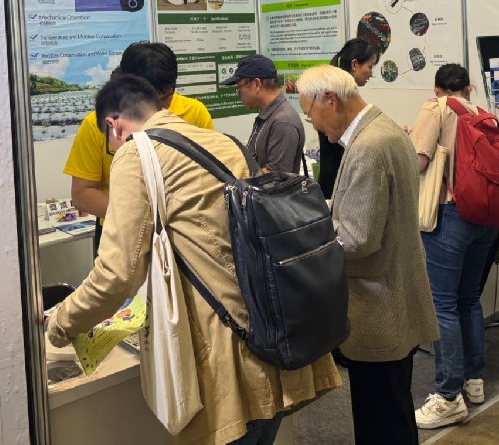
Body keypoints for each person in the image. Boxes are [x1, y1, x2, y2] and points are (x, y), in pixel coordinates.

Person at [46, 73, 340, 445]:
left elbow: (117, 273)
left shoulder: (136, 153)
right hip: (274, 333)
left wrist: (61, 323)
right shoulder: (224, 141)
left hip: (228, 354)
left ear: (113, 125)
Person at [297, 65, 438, 444]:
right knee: (395, 413)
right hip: (396, 294)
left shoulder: (367, 148)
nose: (314, 124)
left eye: (311, 113)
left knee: (380, 421)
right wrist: (327, 208)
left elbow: (357, 239)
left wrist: (305, 242)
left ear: (330, 99)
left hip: (377, 305)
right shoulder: (386, 130)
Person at [408, 64, 497, 428]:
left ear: (437, 88)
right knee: (468, 300)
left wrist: (407, 143)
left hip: (450, 215)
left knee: (442, 305)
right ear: (468, 88)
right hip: (485, 217)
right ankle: (474, 382)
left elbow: (418, 162)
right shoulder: (485, 113)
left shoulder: (436, 108)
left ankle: (448, 397)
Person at [62, 42, 213, 248]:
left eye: (165, 98)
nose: (156, 110)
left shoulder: (195, 112)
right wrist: (141, 217)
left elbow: (207, 178)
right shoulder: (97, 124)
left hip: (183, 233)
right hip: (122, 233)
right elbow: (82, 193)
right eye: (147, 99)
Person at [221, 54, 305, 174]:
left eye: (239, 89)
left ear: (256, 84)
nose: (239, 95)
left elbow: (277, 176)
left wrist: (236, 178)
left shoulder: (283, 122)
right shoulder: (268, 114)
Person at [318, 38, 380, 198]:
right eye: (370, 66)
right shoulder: (337, 97)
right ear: (354, 64)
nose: (371, 73)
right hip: (337, 184)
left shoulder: (344, 96)